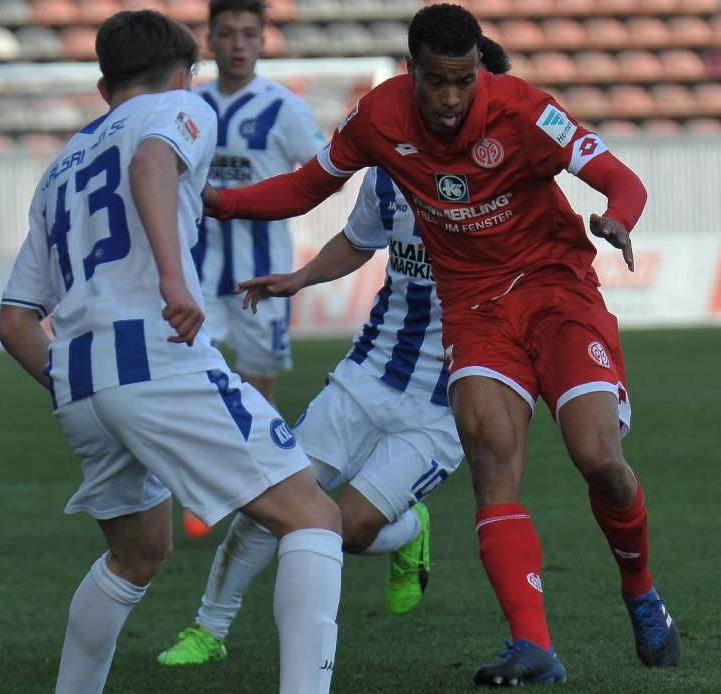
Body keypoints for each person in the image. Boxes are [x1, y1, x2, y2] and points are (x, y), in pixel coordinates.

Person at [200, 3, 679, 686]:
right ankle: (533, 647)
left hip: (556, 292)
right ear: (412, 70)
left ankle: (640, 590)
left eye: (463, 81)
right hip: (476, 311)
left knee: (597, 456)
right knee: (491, 463)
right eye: (436, 82)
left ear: (479, 69)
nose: (451, 99)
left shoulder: (525, 111)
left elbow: (621, 179)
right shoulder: (379, 119)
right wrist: (221, 201)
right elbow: (308, 186)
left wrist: (618, 218)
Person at [0, 11, 341, 693]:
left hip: (80, 376)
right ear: (186, 73)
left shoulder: (60, 167)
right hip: (154, 353)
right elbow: (153, 163)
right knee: (313, 514)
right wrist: (175, 280)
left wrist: (75, 383)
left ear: (104, 86)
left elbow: (14, 322)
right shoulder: (182, 106)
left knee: (137, 553)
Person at [157, 166, 464, 666]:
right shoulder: (387, 175)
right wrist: (301, 278)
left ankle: (410, 531)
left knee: (346, 529)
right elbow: (358, 240)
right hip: (367, 375)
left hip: (442, 403)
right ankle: (208, 630)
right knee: (275, 498)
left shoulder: (498, 183)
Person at [192, 0, 327, 401]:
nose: (238, 44)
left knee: (257, 391)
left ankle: (252, 462)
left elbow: (327, 173)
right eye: (228, 34)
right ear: (210, 40)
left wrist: (280, 199)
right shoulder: (190, 105)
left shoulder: (284, 107)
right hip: (196, 270)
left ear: (262, 42)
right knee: (192, 384)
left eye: (248, 35)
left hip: (263, 271)